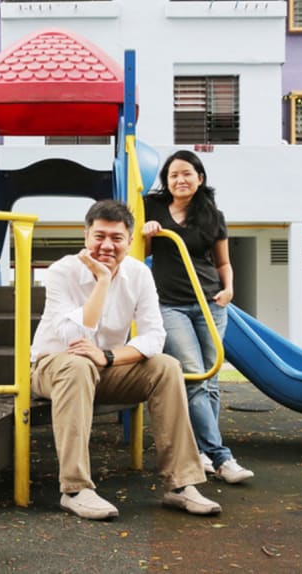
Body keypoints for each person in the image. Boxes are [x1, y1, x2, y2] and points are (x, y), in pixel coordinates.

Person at [30, 200, 221, 520]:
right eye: (99, 236)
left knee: (167, 366)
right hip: (55, 365)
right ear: (86, 236)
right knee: (78, 364)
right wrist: (103, 281)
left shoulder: (139, 274)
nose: (107, 245)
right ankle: (75, 489)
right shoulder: (63, 270)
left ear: (130, 241)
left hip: (104, 367)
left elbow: (153, 335)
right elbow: (73, 336)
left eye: (116, 238)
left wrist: (107, 357)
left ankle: (181, 485)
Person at [143, 150, 254, 484]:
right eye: (174, 174)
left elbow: (222, 263)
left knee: (212, 380)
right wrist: (148, 233)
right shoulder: (153, 209)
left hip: (209, 302)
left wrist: (229, 289)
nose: (180, 180)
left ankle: (203, 452)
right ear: (167, 180)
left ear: (199, 178)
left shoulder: (212, 215)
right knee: (194, 375)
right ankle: (222, 457)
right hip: (171, 305)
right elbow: (143, 253)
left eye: (187, 174)